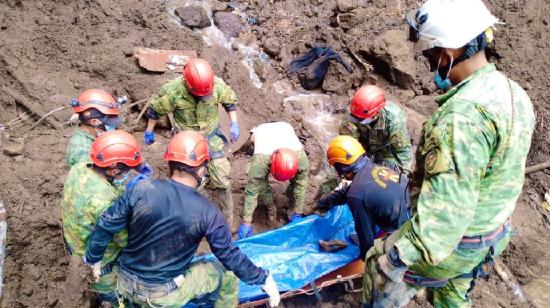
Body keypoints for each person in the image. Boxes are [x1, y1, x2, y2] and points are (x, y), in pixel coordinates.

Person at [362, 0, 535, 307]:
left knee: (378, 261)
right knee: (453, 293)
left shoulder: (462, 120)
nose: (428, 61)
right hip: (492, 232)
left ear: (449, 52)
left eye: (430, 53)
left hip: (459, 241)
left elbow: (445, 218)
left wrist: (399, 256)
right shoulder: (511, 91)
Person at [84, 131, 280, 307]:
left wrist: (93, 257)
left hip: (124, 284)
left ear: (170, 162)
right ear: (202, 169)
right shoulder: (207, 212)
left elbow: (106, 224)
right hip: (161, 295)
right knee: (226, 275)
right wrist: (263, 278)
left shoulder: (141, 189)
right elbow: (229, 256)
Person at [144, 58, 239, 227]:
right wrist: (149, 130)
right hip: (187, 142)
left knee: (222, 179)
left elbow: (230, 103)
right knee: (187, 184)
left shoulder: (216, 85)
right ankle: (186, 218)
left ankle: (227, 219)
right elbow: (155, 110)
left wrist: (234, 123)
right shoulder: (173, 92)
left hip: (211, 138)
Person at [61, 130, 145, 306]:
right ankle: (108, 300)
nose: (127, 175)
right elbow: (124, 240)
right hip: (99, 261)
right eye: (126, 172)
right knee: (114, 297)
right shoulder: (106, 201)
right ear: (113, 170)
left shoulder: (79, 168)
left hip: (72, 241)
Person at [316, 135, 410, 259]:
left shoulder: (356, 196)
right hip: (415, 205)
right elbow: (347, 191)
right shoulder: (372, 167)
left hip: (409, 227)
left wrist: (366, 257)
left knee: (380, 258)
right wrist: (325, 202)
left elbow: (365, 232)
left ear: (340, 168)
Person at [237, 122, 310, 239]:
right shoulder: (260, 162)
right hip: (261, 133)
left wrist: (298, 213)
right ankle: (269, 206)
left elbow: (301, 185)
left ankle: (291, 203)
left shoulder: (301, 160)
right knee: (259, 184)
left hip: (284, 127)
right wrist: (246, 222)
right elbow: (252, 192)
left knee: (297, 186)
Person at [339, 85, 413, 174]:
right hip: (362, 149)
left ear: (376, 113)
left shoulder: (394, 119)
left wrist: (403, 175)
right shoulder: (354, 111)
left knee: (387, 178)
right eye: (356, 118)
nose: (357, 120)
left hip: (386, 152)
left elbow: (403, 152)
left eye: (361, 119)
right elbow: (348, 144)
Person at [66, 89, 125, 168]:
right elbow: (91, 178)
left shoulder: (93, 136)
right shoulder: (83, 151)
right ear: (94, 121)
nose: (114, 128)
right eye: (109, 123)